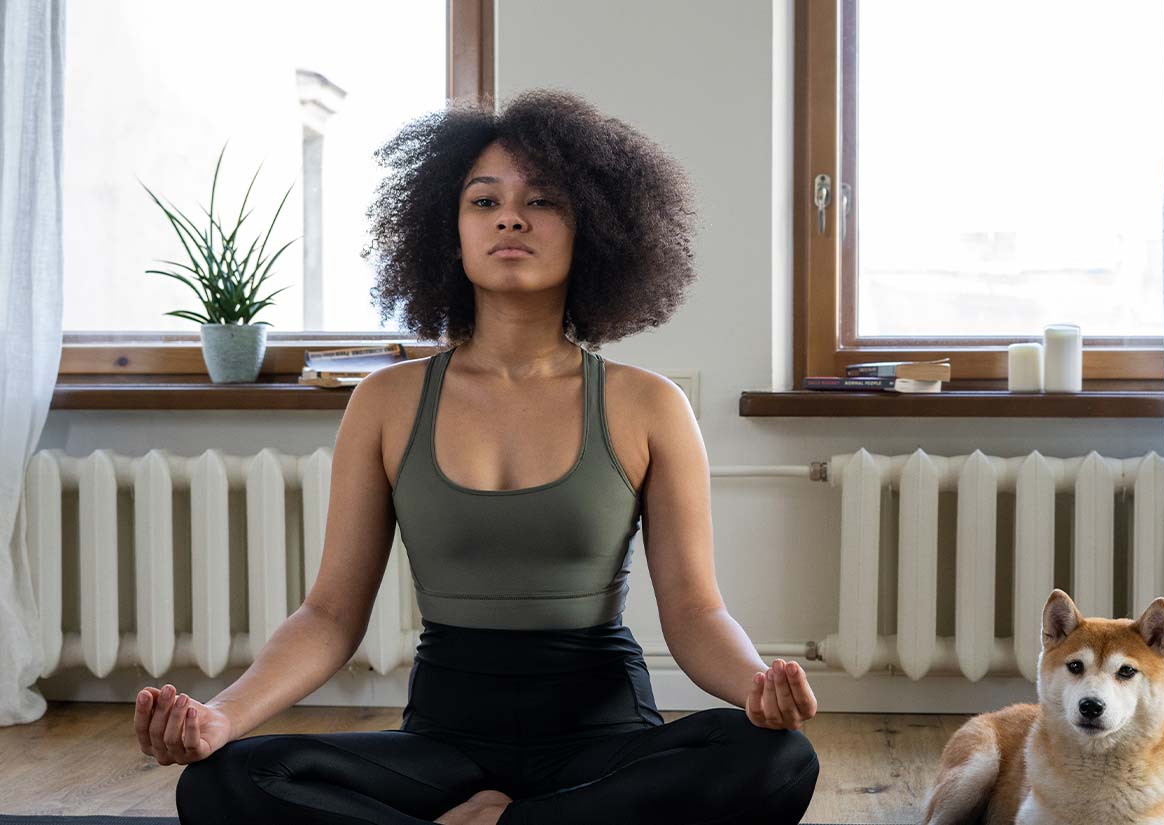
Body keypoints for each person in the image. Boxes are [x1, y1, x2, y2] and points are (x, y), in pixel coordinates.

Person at [133, 89, 821, 825]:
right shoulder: (386, 402)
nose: (510, 217)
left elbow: (694, 611)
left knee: (777, 758)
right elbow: (330, 614)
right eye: (482, 200)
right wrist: (222, 716)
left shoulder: (646, 404)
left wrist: (756, 684)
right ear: (446, 230)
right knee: (225, 780)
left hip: (601, 741)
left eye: (543, 202)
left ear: (594, 227)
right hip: (443, 743)